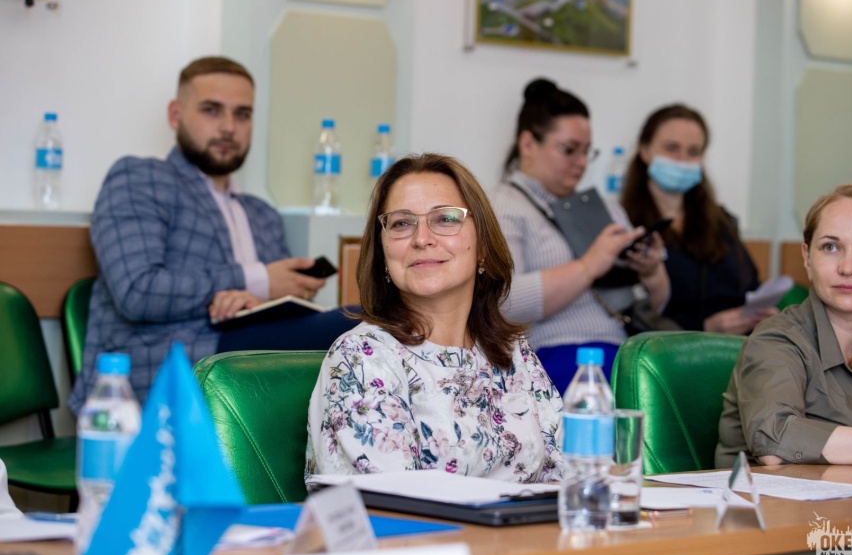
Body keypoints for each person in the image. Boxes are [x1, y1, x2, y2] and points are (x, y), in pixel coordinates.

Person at [69, 56, 356, 413]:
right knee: (361, 322)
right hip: (170, 367)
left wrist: (257, 303)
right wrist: (259, 280)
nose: (229, 127)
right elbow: (137, 291)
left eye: (242, 114)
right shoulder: (140, 178)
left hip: (250, 359)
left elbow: (269, 306)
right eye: (211, 110)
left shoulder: (262, 214)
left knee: (365, 331)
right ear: (175, 115)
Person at [305, 153, 564, 483]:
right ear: (383, 254)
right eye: (401, 223)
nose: (422, 238)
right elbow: (392, 503)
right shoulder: (361, 358)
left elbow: (567, 476)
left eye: (445, 219)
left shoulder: (513, 351)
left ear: (483, 246)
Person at [491, 78, 669, 391]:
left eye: (587, 152)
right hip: (552, 354)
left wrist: (652, 272)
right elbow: (504, 302)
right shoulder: (503, 206)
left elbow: (652, 306)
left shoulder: (606, 210)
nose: (582, 163)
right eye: (569, 150)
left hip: (626, 350)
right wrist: (588, 266)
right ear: (528, 144)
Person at [716, 184, 852, 468]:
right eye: (831, 247)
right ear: (807, 258)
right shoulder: (775, 339)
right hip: (772, 498)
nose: (848, 267)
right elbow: (776, 443)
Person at [620, 103, 775, 333]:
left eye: (693, 152)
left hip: (741, 344)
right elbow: (634, 311)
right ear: (645, 151)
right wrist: (705, 328)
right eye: (672, 148)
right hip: (670, 347)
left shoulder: (722, 221)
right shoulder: (625, 225)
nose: (682, 159)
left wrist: (763, 314)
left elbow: (750, 285)